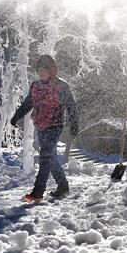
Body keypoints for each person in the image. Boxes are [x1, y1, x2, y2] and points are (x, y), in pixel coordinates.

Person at [11, 54, 79, 203]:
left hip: (55, 125)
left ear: (51, 70)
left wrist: (74, 125)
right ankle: (63, 186)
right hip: (41, 125)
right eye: (39, 70)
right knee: (51, 158)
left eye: (44, 70)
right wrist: (16, 116)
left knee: (45, 157)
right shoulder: (36, 86)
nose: (41, 73)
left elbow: (71, 107)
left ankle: (37, 193)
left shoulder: (61, 86)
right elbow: (28, 103)